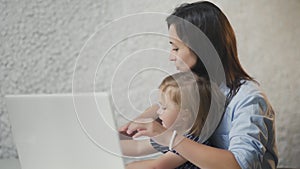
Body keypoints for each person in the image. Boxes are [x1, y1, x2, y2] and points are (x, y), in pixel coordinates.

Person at [120, 1, 278, 169]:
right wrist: (136, 123)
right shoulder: (196, 96)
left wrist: (169, 138)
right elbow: (139, 145)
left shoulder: (248, 99)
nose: (171, 57)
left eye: (176, 48)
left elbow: (239, 165)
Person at [122, 72, 222, 169]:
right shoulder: (174, 132)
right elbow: (138, 147)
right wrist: (111, 145)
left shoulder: (192, 140)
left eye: (164, 108)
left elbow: (157, 166)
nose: (158, 111)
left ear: (184, 115)